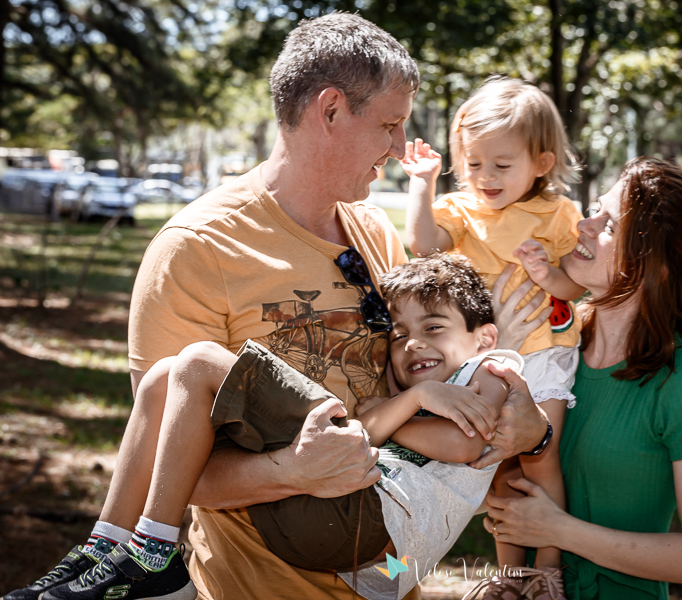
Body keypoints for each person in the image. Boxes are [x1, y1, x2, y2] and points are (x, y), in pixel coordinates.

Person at [1, 14, 547, 600]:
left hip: (380, 570)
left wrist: (527, 427)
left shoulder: (375, 234)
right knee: (188, 369)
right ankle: (115, 555)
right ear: (331, 110)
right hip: (248, 587)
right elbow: (166, 462)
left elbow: (419, 409)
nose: (398, 147)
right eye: (389, 124)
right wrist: (289, 472)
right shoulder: (197, 249)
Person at [22, 256, 521, 600]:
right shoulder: (412, 392)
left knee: (198, 363)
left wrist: (404, 407)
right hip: (330, 528)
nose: (413, 345)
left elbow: (464, 443)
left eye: (434, 327)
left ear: (485, 337)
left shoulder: (493, 369)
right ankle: (102, 551)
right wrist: (407, 404)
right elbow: (369, 427)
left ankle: (154, 559)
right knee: (160, 379)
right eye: (400, 335)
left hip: (368, 531)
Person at [481, 157, 682, 600]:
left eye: (611, 226)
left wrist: (558, 530)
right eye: (595, 208)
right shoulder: (555, 349)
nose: (583, 224)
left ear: (659, 267)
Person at [401, 76, 582, 598]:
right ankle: (509, 572)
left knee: (539, 455)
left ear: (542, 163)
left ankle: (548, 568)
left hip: (544, 354)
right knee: (496, 461)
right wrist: (424, 182)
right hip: (484, 360)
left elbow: (577, 283)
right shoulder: (461, 211)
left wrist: (549, 275)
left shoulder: (557, 215)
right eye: (474, 163)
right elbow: (422, 245)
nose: (486, 177)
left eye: (503, 165)